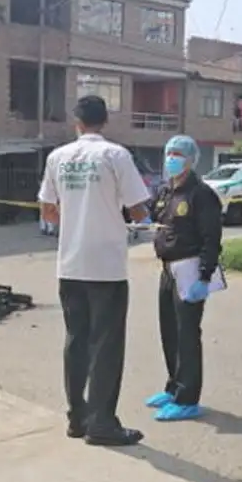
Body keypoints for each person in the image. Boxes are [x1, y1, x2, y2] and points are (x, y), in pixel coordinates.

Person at [37, 95, 152, 447]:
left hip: (70, 264)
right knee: (106, 344)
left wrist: (73, 219)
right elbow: (137, 211)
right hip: (106, 267)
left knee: (76, 341)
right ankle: (102, 422)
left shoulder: (57, 157)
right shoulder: (116, 155)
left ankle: (77, 417)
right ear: (105, 122)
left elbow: (47, 210)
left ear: (77, 122)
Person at [144, 135, 223, 422]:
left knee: (187, 334)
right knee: (170, 331)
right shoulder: (166, 191)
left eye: (177, 154)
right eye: (168, 154)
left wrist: (204, 275)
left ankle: (188, 398)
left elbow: (211, 238)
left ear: (191, 160)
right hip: (167, 269)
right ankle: (174, 386)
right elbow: (151, 214)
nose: (171, 159)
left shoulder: (201, 194)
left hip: (190, 270)